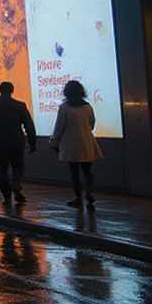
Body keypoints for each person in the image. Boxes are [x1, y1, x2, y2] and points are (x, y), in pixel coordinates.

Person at [0, 81, 37, 205]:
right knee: (18, 166)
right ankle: (16, 183)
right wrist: (32, 142)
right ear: (12, 91)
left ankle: (6, 196)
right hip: (16, 142)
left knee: (1, 170)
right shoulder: (20, 105)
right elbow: (29, 125)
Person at [50, 80, 104, 209]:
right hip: (87, 142)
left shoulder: (64, 107)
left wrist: (54, 142)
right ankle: (90, 193)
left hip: (71, 144)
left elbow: (59, 127)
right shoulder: (88, 106)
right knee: (87, 170)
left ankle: (78, 197)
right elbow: (92, 123)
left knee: (74, 172)